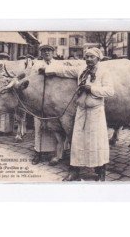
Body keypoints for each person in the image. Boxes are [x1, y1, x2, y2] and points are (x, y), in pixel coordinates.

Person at [40, 47, 114, 181]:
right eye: (87, 57)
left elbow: (110, 91)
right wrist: (47, 70)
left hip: (95, 111)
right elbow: (65, 71)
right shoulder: (81, 70)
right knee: (78, 141)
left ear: (98, 58)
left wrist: (92, 89)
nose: (89, 59)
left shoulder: (104, 72)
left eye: (92, 57)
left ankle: (100, 170)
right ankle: (74, 171)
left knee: (97, 141)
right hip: (81, 110)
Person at [31, 44, 61, 165]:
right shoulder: (36, 65)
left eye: (49, 50)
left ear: (53, 52)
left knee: (54, 127)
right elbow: (32, 81)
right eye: (44, 51)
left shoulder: (58, 64)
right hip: (39, 100)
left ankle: (56, 153)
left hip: (54, 101)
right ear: (41, 53)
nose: (47, 53)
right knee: (39, 126)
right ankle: (38, 152)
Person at [0, 52, 14, 135]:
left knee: (8, 113)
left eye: (4, 58)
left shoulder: (11, 68)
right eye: (1, 58)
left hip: (8, 92)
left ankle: (7, 130)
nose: (3, 60)